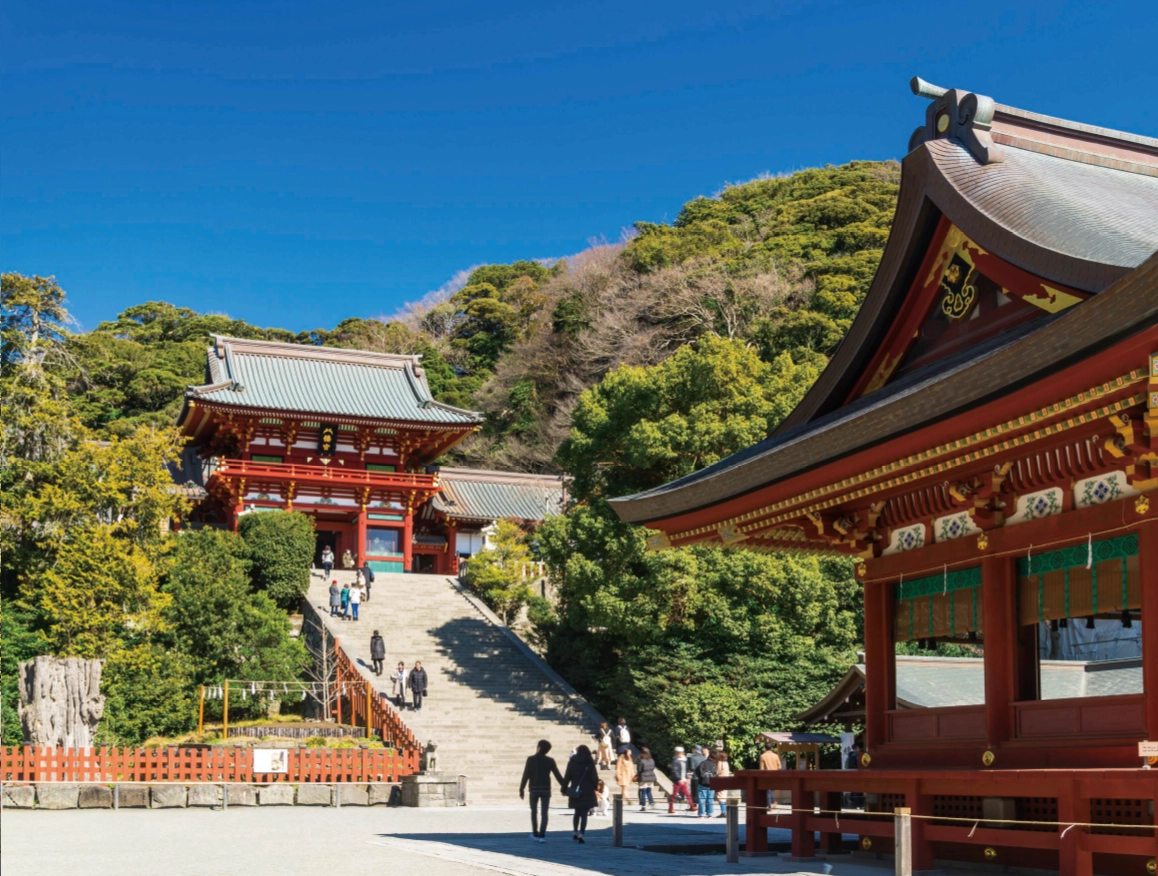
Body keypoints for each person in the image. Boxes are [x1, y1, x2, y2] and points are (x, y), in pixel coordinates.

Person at [519, 739, 565, 843]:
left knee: (534, 812)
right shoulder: (550, 760)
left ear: (539, 747)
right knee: (544, 813)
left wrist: (521, 789)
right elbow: (558, 776)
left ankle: (535, 833)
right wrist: (564, 787)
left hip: (534, 789)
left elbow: (526, 775)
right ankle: (542, 835)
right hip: (545, 789)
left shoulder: (530, 759)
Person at [561, 744, 597, 844]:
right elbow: (594, 777)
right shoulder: (590, 762)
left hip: (575, 791)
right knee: (584, 814)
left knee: (577, 812)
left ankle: (575, 832)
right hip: (587, 791)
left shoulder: (572, 762)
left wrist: (563, 789)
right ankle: (581, 834)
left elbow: (567, 777)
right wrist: (595, 787)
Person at [669, 746, 693, 813]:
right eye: (679, 753)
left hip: (683, 780)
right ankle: (670, 807)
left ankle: (692, 806)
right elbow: (675, 771)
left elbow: (687, 770)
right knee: (674, 794)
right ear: (676, 753)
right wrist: (679, 779)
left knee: (687, 794)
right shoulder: (675, 761)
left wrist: (687, 777)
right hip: (678, 781)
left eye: (682, 753)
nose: (681, 754)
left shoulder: (685, 760)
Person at [758, 742, 782, 811]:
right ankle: (774, 801)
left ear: (765, 748)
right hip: (774, 775)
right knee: (772, 789)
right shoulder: (776, 756)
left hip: (766, 775)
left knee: (768, 791)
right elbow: (779, 766)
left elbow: (761, 768)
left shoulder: (762, 756)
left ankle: (769, 806)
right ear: (772, 748)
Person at [694, 749, 718, 818]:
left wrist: (701, 777)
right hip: (712, 783)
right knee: (710, 799)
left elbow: (697, 772)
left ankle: (701, 814)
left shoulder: (703, 763)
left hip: (702, 782)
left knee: (702, 798)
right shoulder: (715, 765)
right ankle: (709, 813)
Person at [636, 747, 657, 811]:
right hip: (651, 777)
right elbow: (653, 768)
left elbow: (639, 769)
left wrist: (637, 775)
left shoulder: (641, 760)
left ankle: (643, 806)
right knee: (649, 791)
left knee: (643, 792)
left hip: (643, 777)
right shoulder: (652, 760)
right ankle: (652, 803)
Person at [714, 749, 732, 817]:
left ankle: (723, 811)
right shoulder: (726, 763)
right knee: (724, 796)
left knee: (720, 796)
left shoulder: (720, 763)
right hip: (726, 780)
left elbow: (717, 772)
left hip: (721, 781)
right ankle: (725, 811)